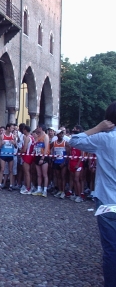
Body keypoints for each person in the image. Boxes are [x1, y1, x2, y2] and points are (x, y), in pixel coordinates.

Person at [68, 101, 116, 287]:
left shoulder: (105, 138)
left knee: (111, 250)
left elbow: (74, 140)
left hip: (107, 201)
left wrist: (97, 128)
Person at [32, 124, 50, 197]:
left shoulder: (45, 136)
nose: (37, 129)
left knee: (44, 174)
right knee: (39, 174)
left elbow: (46, 147)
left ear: (41, 128)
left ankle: (45, 190)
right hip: (37, 155)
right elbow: (36, 146)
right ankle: (39, 189)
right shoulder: (38, 137)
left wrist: (43, 158)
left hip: (44, 156)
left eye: (38, 127)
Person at [0, 123, 17, 191]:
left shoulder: (13, 136)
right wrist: (1, 143)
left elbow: (16, 146)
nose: (13, 129)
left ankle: (11, 185)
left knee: (10, 170)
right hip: (3, 154)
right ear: (8, 128)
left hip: (10, 154)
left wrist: (14, 143)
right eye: (12, 128)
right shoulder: (2, 136)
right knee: (2, 169)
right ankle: (0, 184)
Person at [52, 130, 68, 199]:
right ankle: (60, 190)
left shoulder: (65, 143)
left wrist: (64, 162)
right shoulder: (54, 143)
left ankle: (63, 191)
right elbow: (52, 150)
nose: (61, 135)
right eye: (60, 134)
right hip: (56, 161)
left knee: (63, 177)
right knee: (58, 177)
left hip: (63, 162)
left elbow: (68, 154)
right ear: (57, 135)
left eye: (62, 134)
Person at [20, 126, 35, 195]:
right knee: (29, 172)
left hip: (26, 155)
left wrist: (20, 151)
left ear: (25, 130)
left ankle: (28, 188)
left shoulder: (27, 138)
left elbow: (24, 149)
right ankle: (29, 186)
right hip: (31, 155)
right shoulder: (32, 137)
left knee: (27, 173)